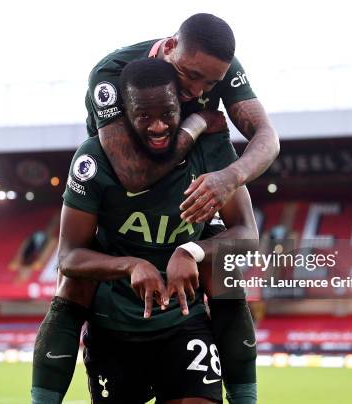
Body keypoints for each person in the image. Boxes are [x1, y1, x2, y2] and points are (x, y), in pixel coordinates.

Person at [33, 14, 265, 404]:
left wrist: (193, 248)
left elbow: (247, 235)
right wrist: (191, 128)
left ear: (182, 103)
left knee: (224, 268)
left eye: (169, 114)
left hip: (183, 314)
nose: (157, 126)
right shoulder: (95, 157)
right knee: (73, 279)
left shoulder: (211, 145)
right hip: (117, 307)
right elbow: (71, 252)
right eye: (144, 117)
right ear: (126, 111)